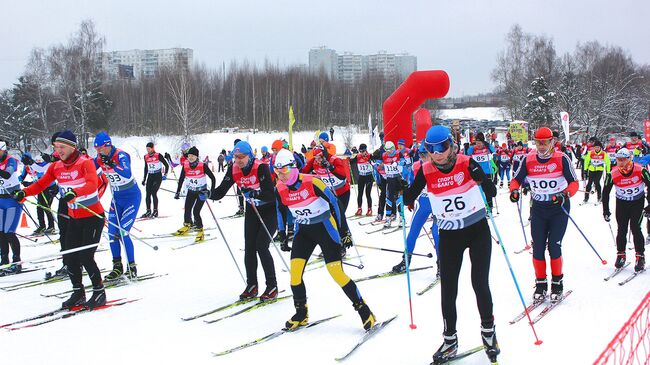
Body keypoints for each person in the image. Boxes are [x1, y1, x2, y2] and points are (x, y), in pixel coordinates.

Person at [403, 126, 499, 364]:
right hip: (449, 234)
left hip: (477, 231)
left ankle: (489, 332)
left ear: (451, 146)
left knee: (479, 283)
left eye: (442, 148)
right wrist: (401, 192)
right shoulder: (426, 170)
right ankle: (449, 339)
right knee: (448, 289)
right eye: (431, 149)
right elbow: (411, 194)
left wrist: (483, 181)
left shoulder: (466, 162)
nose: (437, 153)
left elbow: (491, 189)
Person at [273, 149, 376, 331]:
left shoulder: (312, 182)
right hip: (303, 232)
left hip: (325, 229)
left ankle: (364, 310)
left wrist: (345, 231)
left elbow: (336, 203)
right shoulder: (279, 188)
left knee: (336, 272)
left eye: (284, 170)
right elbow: (280, 210)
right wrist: (282, 233)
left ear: (294, 168)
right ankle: (301, 313)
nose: (281, 175)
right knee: (295, 275)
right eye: (277, 170)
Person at [16, 131, 106, 309]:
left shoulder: (84, 163)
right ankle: (78, 292)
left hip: (93, 217)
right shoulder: (55, 166)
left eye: (62, 147)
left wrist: (76, 193)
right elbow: (41, 184)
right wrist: (24, 192)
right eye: (56, 147)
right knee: (69, 255)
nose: (59, 151)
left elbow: (91, 184)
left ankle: (99, 292)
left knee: (86, 256)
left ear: (72, 147)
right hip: (74, 219)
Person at [509, 127, 578, 304]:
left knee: (554, 246)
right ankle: (540, 284)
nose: (541, 146)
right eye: (538, 142)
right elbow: (516, 179)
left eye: (545, 142)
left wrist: (564, 194)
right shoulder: (528, 158)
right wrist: (514, 190)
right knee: (538, 247)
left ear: (552, 142)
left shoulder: (561, 158)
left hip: (558, 208)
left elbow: (574, 183)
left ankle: (557, 284)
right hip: (538, 208)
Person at [210, 141, 278, 300]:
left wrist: (254, 194)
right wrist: (208, 193)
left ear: (250, 156)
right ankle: (252, 285)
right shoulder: (233, 169)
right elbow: (220, 191)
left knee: (261, 246)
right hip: (252, 211)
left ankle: (272, 286)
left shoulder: (261, 167)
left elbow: (270, 194)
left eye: (242, 157)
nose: (238, 160)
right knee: (249, 248)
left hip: (269, 210)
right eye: (236, 157)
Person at [93, 132, 143, 280]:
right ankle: (117, 267)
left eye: (101, 148)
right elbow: (88, 167)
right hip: (117, 199)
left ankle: (132, 266)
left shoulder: (121, 155)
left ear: (108, 145)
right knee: (112, 234)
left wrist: (112, 164)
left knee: (123, 232)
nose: (99, 152)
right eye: (96, 149)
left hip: (131, 197)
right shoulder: (99, 158)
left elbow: (127, 173)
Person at [392, 143, 439, 274]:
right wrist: (407, 195)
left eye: (425, 156)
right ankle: (405, 261)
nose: (423, 159)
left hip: (438, 202)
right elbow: (412, 184)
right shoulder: (416, 166)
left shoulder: (439, 165)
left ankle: (441, 263)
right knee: (413, 231)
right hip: (423, 201)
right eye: (420, 155)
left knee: (436, 232)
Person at [602, 148, 647, 273]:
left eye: (623, 160)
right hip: (622, 203)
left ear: (629, 159)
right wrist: (605, 210)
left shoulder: (640, 170)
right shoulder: (613, 173)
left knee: (635, 227)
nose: (620, 163)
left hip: (637, 203)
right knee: (621, 228)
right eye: (618, 160)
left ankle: (640, 256)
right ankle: (621, 254)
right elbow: (605, 192)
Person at [302, 144, 354, 252]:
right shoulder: (314, 162)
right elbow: (303, 172)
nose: (318, 160)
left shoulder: (334, 159)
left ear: (324, 154)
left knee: (338, 217)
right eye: (316, 157)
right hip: (330, 195)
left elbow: (343, 175)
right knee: (329, 219)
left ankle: (342, 244)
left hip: (342, 192)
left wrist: (331, 167)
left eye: (320, 157)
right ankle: (333, 244)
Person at [174, 146, 216, 242]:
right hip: (191, 191)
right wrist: (177, 191)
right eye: (189, 155)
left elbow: (213, 178)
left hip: (201, 192)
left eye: (193, 155)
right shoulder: (185, 165)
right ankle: (187, 226)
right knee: (187, 209)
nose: (190, 157)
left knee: (196, 211)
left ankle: (200, 231)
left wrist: (211, 192)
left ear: (197, 156)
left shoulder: (202, 165)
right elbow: (181, 179)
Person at [0, 141, 23, 274]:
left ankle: (16, 262)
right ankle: (4, 260)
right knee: (1, 232)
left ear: (4, 151)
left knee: (9, 232)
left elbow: (7, 174)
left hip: (12, 201)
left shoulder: (11, 161)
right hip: (0, 200)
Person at [22, 152, 57, 235]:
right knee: (39, 207)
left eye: (39, 162)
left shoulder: (45, 165)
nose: (38, 163)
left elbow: (41, 176)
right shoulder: (30, 167)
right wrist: (24, 182)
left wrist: (30, 183)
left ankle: (51, 226)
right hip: (42, 188)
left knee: (46, 206)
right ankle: (42, 226)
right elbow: (35, 177)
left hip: (50, 187)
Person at [141, 142, 169, 219]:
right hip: (150, 176)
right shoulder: (145, 156)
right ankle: (148, 211)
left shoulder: (158, 155)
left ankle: (155, 211)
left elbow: (166, 165)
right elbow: (146, 168)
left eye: (149, 148)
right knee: (147, 194)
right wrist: (144, 178)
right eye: (147, 149)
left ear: (153, 148)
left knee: (153, 192)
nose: (148, 150)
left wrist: (165, 174)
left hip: (157, 176)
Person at [380, 141, 403, 228]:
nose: (389, 152)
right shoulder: (384, 155)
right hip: (389, 179)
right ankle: (388, 219)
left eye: (390, 150)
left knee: (398, 199)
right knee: (388, 199)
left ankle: (402, 218)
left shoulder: (398, 154)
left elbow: (405, 162)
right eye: (387, 150)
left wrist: (397, 163)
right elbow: (380, 164)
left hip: (397, 178)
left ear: (393, 148)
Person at [350, 143, 374, 216]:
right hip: (361, 176)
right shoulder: (358, 156)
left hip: (369, 176)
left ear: (366, 150)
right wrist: (352, 156)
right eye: (360, 151)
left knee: (367, 193)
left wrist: (371, 161)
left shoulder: (370, 155)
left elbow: (375, 162)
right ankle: (359, 208)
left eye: (363, 151)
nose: (362, 152)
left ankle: (369, 209)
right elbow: (351, 162)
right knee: (360, 193)